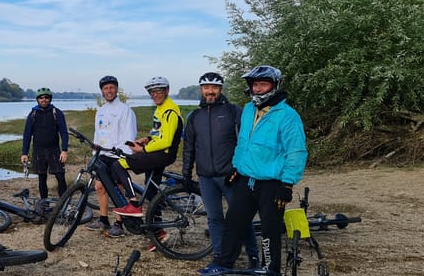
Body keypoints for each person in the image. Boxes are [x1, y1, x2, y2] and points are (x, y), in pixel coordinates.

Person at [200, 65, 308, 275]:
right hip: (246, 178)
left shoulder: (288, 116)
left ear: (274, 86)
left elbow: (296, 152)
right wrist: (236, 167)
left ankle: (270, 269)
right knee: (233, 222)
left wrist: (287, 183)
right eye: (255, 84)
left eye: (263, 84)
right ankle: (224, 262)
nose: (258, 89)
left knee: (269, 229)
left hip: (272, 183)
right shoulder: (248, 110)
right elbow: (243, 143)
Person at [182, 72, 259, 266]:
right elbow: (189, 147)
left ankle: (254, 257)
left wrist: (242, 169)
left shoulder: (233, 111)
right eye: (206, 87)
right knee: (214, 218)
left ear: (221, 89)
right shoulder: (194, 116)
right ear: (201, 89)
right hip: (206, 177)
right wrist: (186, 174)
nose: (210, 91)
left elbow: (247, 141)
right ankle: (220, 257)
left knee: (241, 217)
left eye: (214, 87)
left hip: (231, 175)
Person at [111, 76, 183, 252]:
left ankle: (133, 203)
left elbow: (166, 140)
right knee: (151, 193)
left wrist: (143, 149)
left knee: (118, 165)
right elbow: (160, 133)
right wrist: (148, 139)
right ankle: (158, 232)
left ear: (167, 91)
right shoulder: (160, 109)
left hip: (162, 154)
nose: (155, 95)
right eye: (152, 92)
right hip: (158, 153)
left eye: (159, 91)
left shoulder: (170, 111)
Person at [84, 75, 138, 238]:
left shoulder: (125, 110)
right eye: (105, 88)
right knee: (100, 187)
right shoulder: (100, 111)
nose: (109, 91)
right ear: (102, 91)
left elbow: (130, 134)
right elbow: (98, 133)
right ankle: (103, 219)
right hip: (103, 154)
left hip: (117, 155)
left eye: (112, 88)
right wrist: (95, 152)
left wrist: (123, 153)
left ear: (116, 89)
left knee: (117, 188)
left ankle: (119, 223)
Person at [21, 87, 69, 199]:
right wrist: (24, 153)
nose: (44, 100)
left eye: (46, 97)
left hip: (54, 150)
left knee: (60, 177)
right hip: (38, 151)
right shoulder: (33, 114)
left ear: (50, 99)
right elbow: (27, 134)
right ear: (37, 99)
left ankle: (64, 203)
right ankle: (44, 203)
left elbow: (64, 132)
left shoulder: (56, 113)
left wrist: (64, 150)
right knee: (42, 178)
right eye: (41, 98)